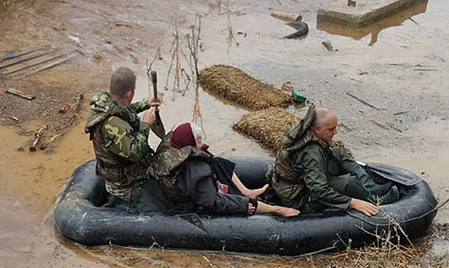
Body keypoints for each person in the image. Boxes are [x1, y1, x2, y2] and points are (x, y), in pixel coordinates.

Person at [269, 104, 399, 216]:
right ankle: (375, 202)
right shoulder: (311, 152)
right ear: (317, 129)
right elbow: (319, 190)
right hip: (300, 199)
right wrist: (352, 202)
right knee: (347, 182)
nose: (335, 132)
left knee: (338, 153)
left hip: (303, 182)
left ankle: (372, 189)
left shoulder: (308, 133)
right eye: (331, 129)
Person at [153, 122, 300, 217]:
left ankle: (248, 192)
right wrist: (241, 206)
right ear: (190, 142)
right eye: (198, 141)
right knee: (243, 203)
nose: (201, 143)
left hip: (190, 190)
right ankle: (276, 210)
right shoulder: (195, 171)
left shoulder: (176, 147)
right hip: (192, 204)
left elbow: (202, 155)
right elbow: (212, 201)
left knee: (217, 162)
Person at [85, 67, 168, 211]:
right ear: (130, 94)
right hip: (126, 185)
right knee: (167, 203)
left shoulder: (106, 105)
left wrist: (144, 104)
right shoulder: (112, 125)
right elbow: (135, 153)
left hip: (122, 173)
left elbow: (123, 112)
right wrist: (145, 125)